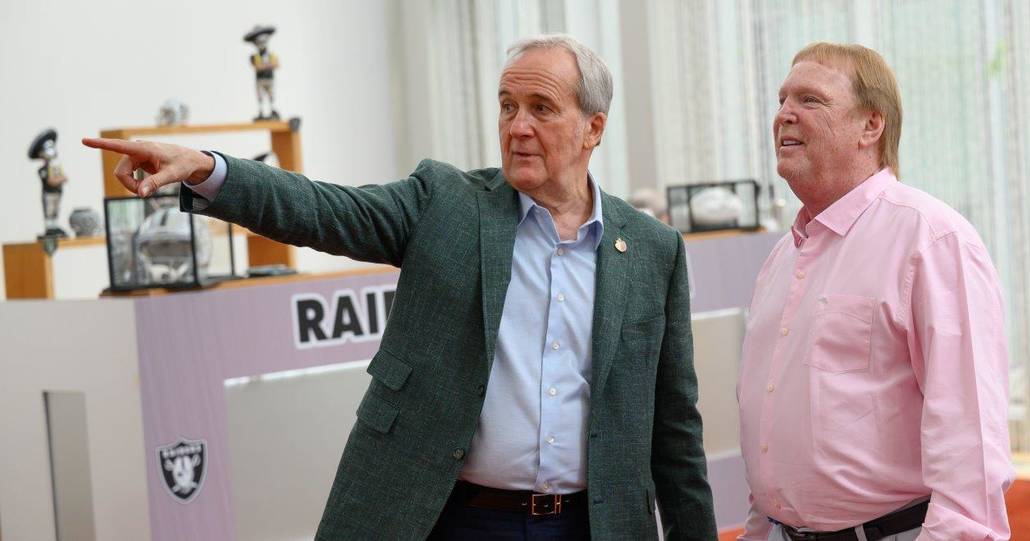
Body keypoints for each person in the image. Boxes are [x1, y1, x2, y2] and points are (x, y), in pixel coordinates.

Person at [84, 34, 718, 540]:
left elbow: (675, 431)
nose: (517, 125)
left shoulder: (651, 251)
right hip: (448, 514)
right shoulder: (445, 203)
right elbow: (322, 208)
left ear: (594, 128)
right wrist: (206, 169)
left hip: (592, 523)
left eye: (542, 108)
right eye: (506, 106)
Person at [737, 42, 1012, 541]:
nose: (783, 115)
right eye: (781, 100)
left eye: (809, 100)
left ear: (871, 125)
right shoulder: (782, 258)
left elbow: (973, 452)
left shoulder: (931, 239)